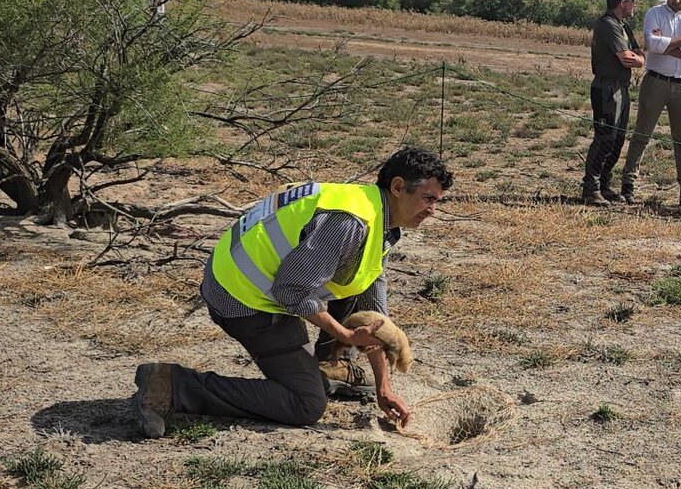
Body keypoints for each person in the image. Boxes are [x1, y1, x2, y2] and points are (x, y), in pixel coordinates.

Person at [130, 147, 453, 438]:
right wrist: (343, 334)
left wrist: (384, 386)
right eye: (428, 199)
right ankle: (172, 384)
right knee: (306, 404)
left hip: (256, 278)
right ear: (397, 187)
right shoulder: (350, 223)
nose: (432, 210)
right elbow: (290, 290)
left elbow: (373, 315)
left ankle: (329, 365)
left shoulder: (375, 214)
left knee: (353, 286)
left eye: (437, 201)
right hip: (241, 296)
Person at [619, 0, 681, 208]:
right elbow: (651, 43)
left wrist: (666, 45)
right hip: (655, 82)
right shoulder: (654, 13)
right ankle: (628, 184)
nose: (676, 0)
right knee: (642, 134)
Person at [582, 0, 645, 206]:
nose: (634, 5)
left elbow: (638, 53)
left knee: (617, 140)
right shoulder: (608, 25)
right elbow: (627, 58)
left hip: (621, 88)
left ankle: (604, 185)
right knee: (605, 139)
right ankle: (590, 188)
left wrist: (639, 59)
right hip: (607, 88)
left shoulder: (623, 26)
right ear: (622, 3)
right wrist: (638, 60)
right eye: (632, 1)